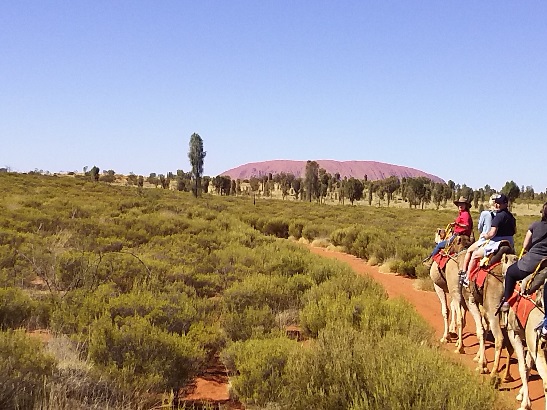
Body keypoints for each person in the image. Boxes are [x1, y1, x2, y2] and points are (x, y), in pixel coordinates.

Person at [500, 202, 547, 339]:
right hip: (545, 264)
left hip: (531, 263)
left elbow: (526, 244)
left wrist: (528, 249)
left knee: (510, 273)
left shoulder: (534, 226)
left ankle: (507, 301)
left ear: (542, 213)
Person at [460, 193, 516, 286]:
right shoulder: (511, 217)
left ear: (505, 204)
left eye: (499, 203)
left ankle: (467, 279)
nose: (497, 205)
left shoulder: (498, 216)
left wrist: (485, 235)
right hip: (510, 243)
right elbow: (515, 231)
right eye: (496, 203)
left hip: (497, 243)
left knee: (475, 255)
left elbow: (492, 233)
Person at [458, 194, 497, 283]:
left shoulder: (485, 213)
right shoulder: (500, 214)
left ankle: (465, 274)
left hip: (485, 240)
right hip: (497, 241)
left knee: (470, 251)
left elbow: (479, 228)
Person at [423, 196, 473, 262]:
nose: (460, 205)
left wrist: (457, 224)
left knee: (439, 245)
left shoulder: (465, 214)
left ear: (465, 205)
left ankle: (430, 262)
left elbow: (466, 226)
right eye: (459, 204)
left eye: (462, 204)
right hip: (459, 235)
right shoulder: (463, 214)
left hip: (459, 236)